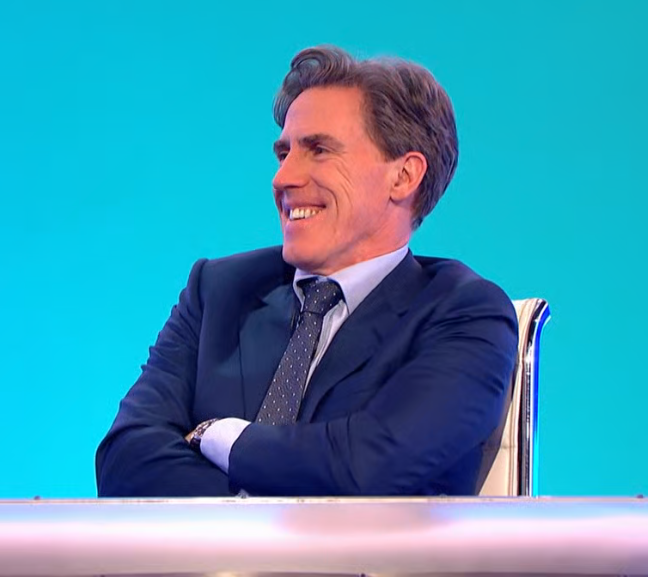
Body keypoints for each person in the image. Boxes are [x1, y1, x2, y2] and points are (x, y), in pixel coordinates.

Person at [95, 45, 518, 497]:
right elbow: (125, 458)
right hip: (206, 548)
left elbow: (369, 465)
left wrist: (217, 436)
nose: (283, 178)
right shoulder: (218, 290)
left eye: (318, 150)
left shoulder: (464, 314)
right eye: (284, 154)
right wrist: (249, 510)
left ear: (403, 176)